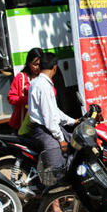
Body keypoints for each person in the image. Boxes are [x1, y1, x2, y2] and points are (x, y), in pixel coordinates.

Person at [27, 51, 78, 189]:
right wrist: (60, 139)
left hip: (48, 128)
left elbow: (54, 111)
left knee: (74, 145)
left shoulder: (40, 82)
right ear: (55, 68)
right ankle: (55, 205)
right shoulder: (43, 86)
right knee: (56, 170)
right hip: (44, 130)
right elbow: (49, 118)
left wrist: (73, 121)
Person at [7, 47, 43, 133]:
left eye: (40, 64)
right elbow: (11, 98)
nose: (38, 67)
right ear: (28, 63)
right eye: (35, 64)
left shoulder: (44, 77)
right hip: (22, 123)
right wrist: (28, 99)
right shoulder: (21, 77)